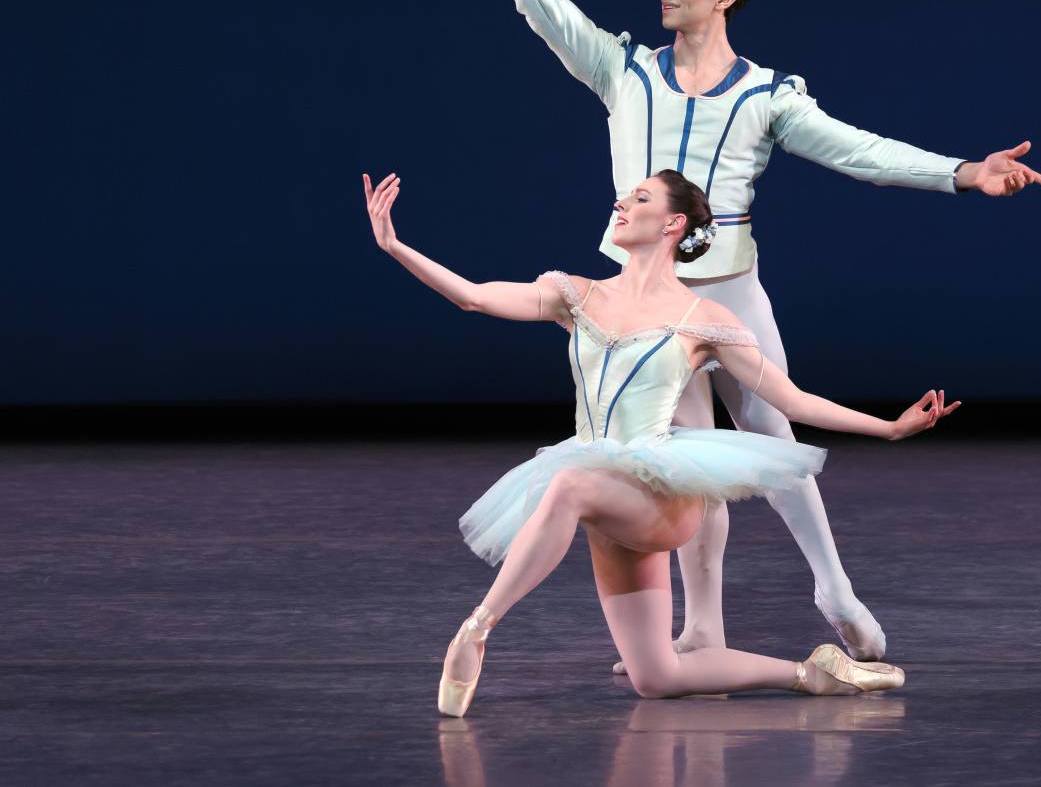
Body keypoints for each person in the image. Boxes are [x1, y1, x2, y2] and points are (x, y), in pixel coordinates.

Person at [436, 0, 1041, 666]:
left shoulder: (765, 97)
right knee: (684, 467)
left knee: (777, 444)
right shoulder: (626, 73)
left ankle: (832, 586)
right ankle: (702, 628)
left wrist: (960, 172)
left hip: (729, 296)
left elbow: (859, 151)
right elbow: (543, 9)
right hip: (650, 308)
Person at [361, 167, 959, 715]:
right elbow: (474, 295)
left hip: (659, 495)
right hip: (604, 492)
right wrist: (394, 247)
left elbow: (792, 400)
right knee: (657, 675)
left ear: (674, 224)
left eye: (640, 198)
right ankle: (815, 673)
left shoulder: (705, 318)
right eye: (625, 196)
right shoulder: (576, 294)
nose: (621, 202)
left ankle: (477, 628)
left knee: (566, 484)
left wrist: (889, 427)